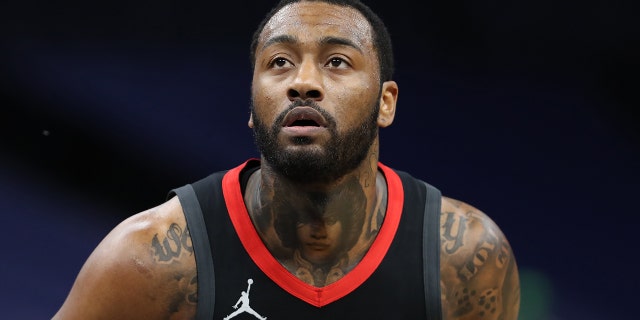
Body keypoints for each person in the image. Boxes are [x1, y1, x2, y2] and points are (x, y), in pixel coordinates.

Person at [52, 0, 520, 319]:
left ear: (386, 103)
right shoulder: (149, 259)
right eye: (280, 62)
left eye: (337, 61)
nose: (303, 82)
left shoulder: (464, 257)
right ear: (252, 107)